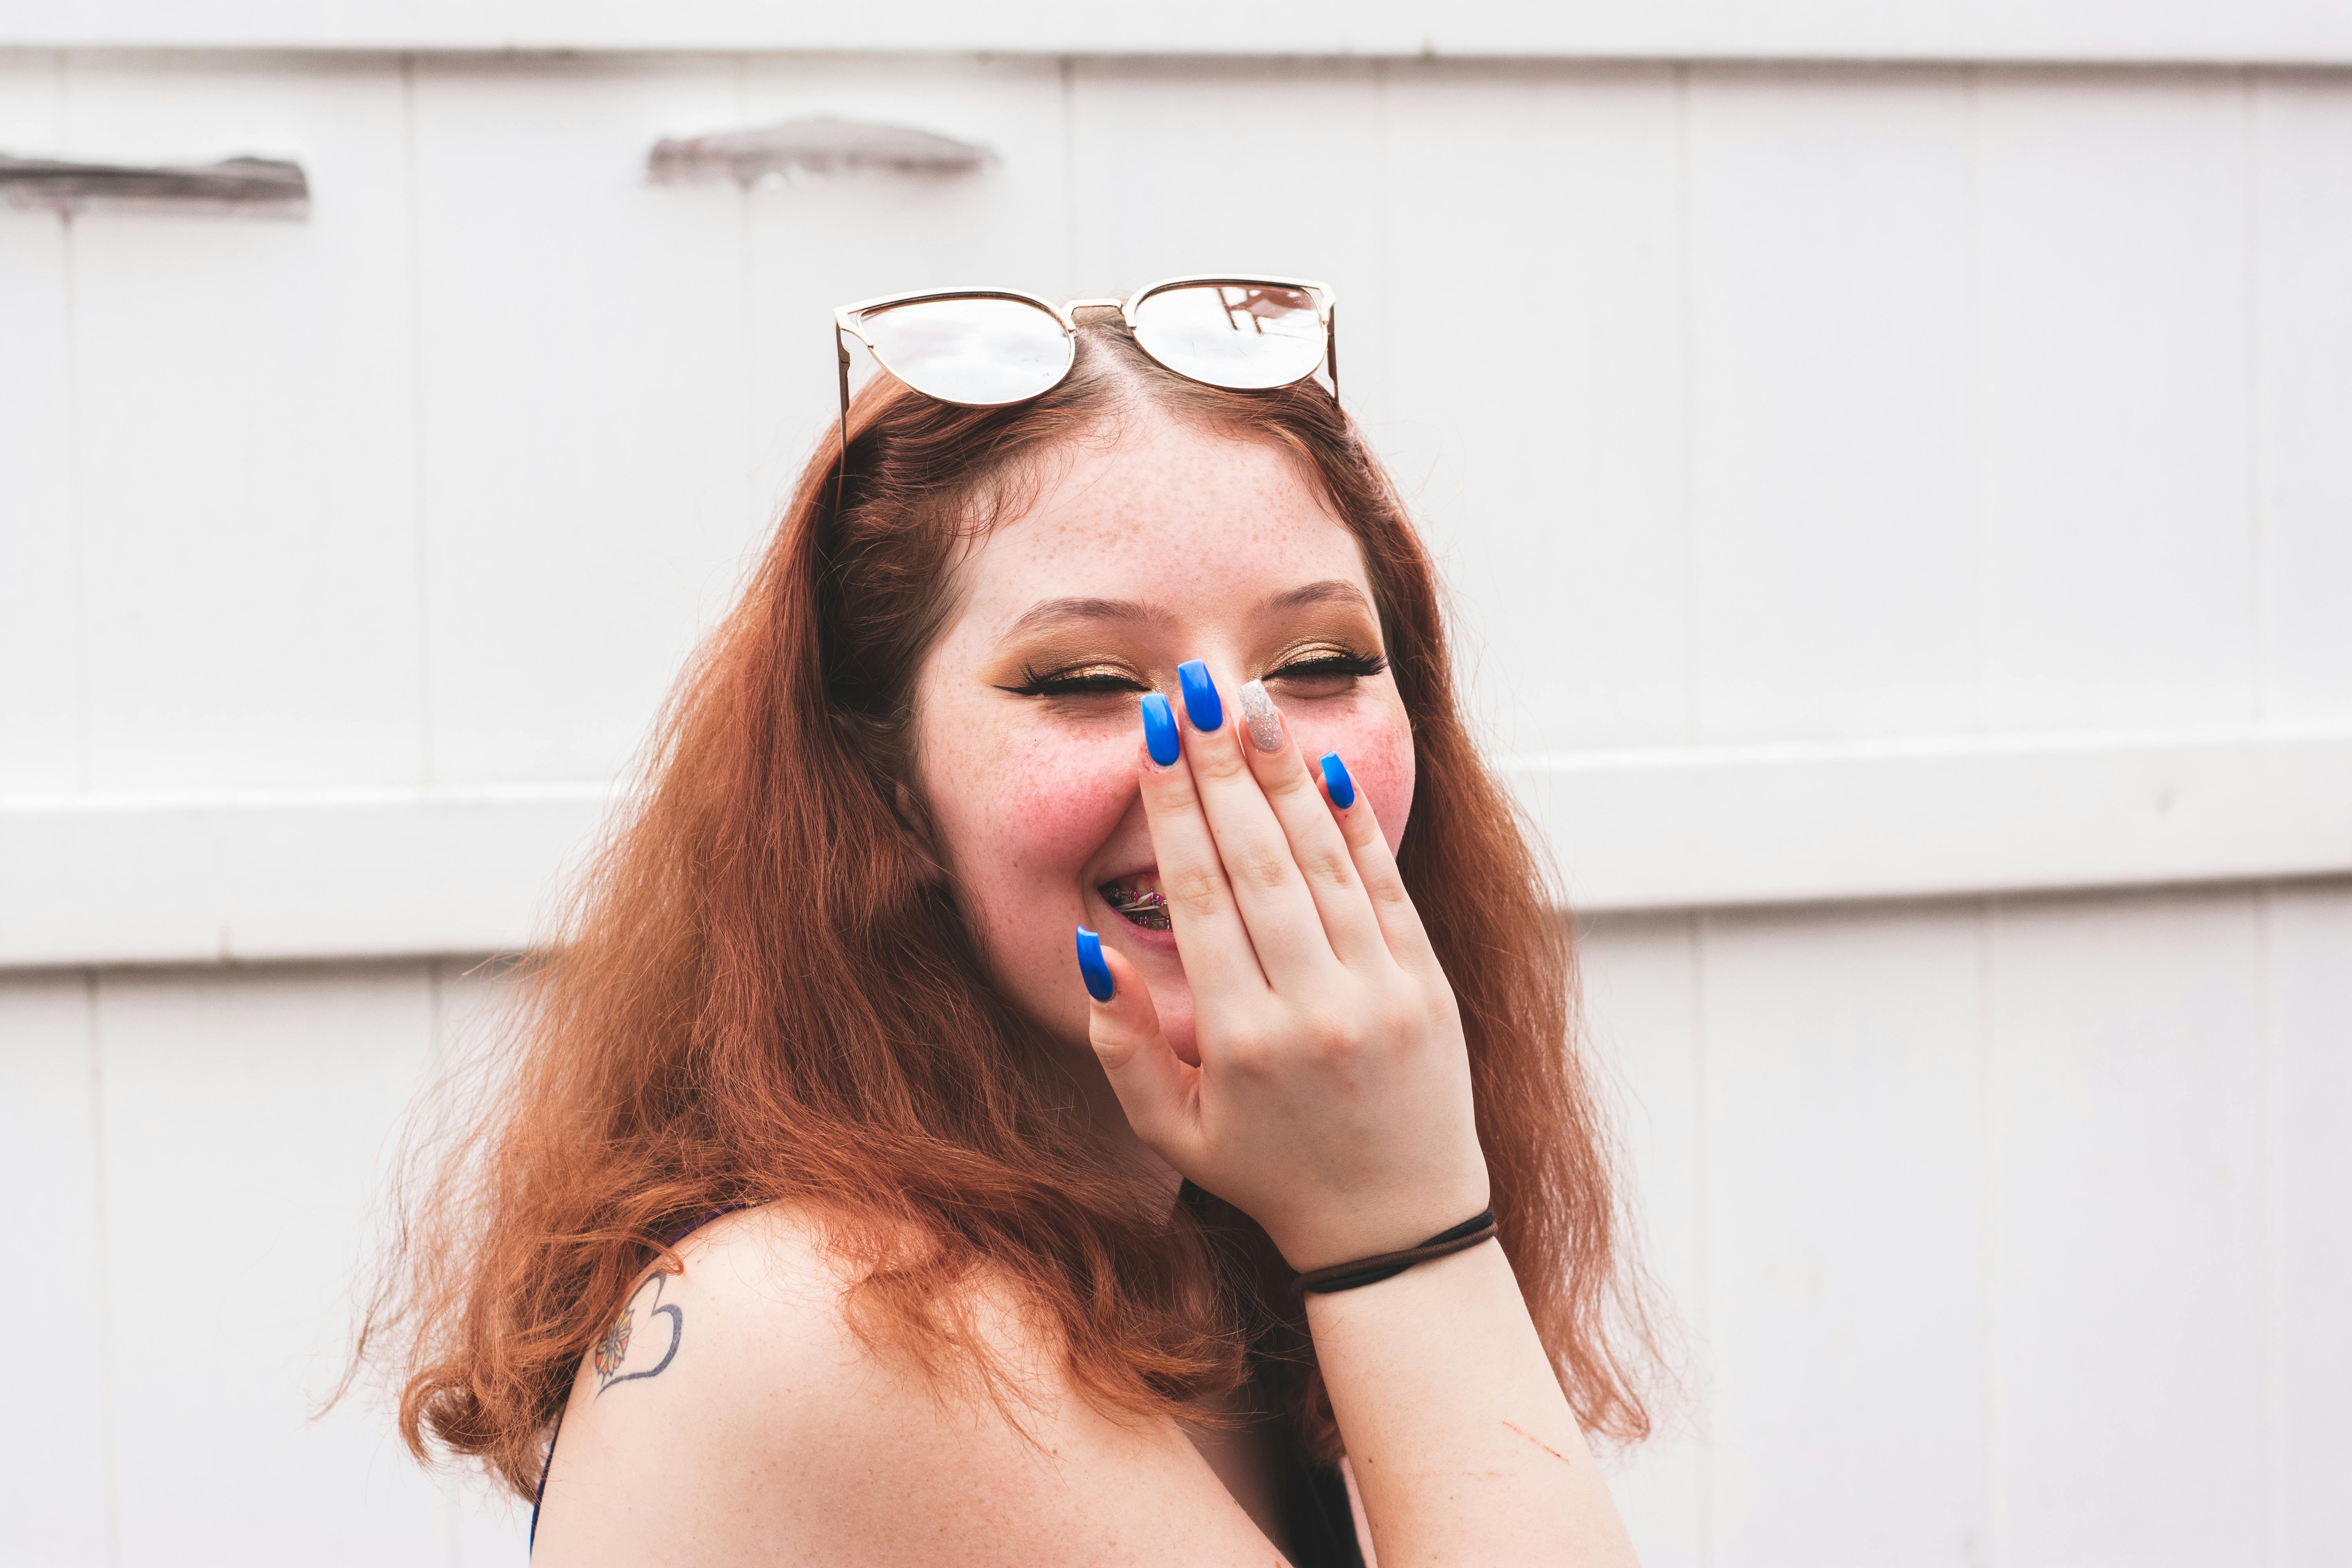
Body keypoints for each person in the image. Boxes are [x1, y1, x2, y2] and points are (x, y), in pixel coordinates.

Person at [373, 279, 1659, 1564]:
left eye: (1319, 665)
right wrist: (1407, 1232)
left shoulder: (1224, 1277)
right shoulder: (833, 1315)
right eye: (1090, 681)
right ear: (889, 789)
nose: (1228, 763)